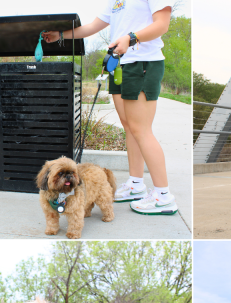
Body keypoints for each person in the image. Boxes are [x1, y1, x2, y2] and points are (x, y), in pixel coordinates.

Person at [43, 0, 178, 216]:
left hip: (143, 63)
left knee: (142, 130)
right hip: (120, 64)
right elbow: (93, 26)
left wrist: (130, 38)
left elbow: (162, 24)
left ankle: (163, 197)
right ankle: (136, 184)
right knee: (130, 127)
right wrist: (61, 35)